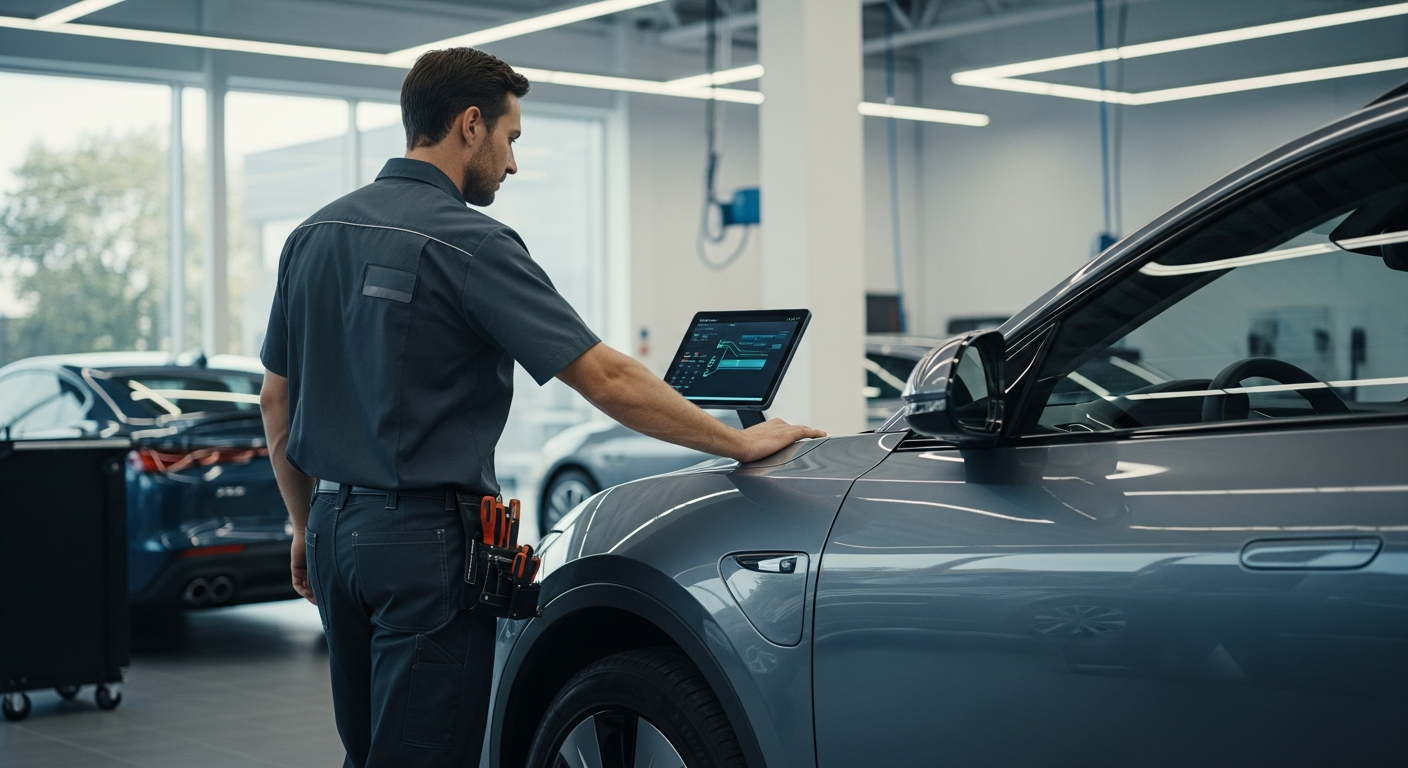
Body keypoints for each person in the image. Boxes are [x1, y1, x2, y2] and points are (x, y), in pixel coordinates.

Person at [258, 47, 824, 768]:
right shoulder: (470, 242)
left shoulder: (311, 236)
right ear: (470, 125)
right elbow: (607, 377)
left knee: (366, 748)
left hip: (336, 533)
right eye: (511, 138)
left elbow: (277, 399)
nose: (513, 163)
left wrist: (305, 526)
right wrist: (737, 443)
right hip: (422, 545)